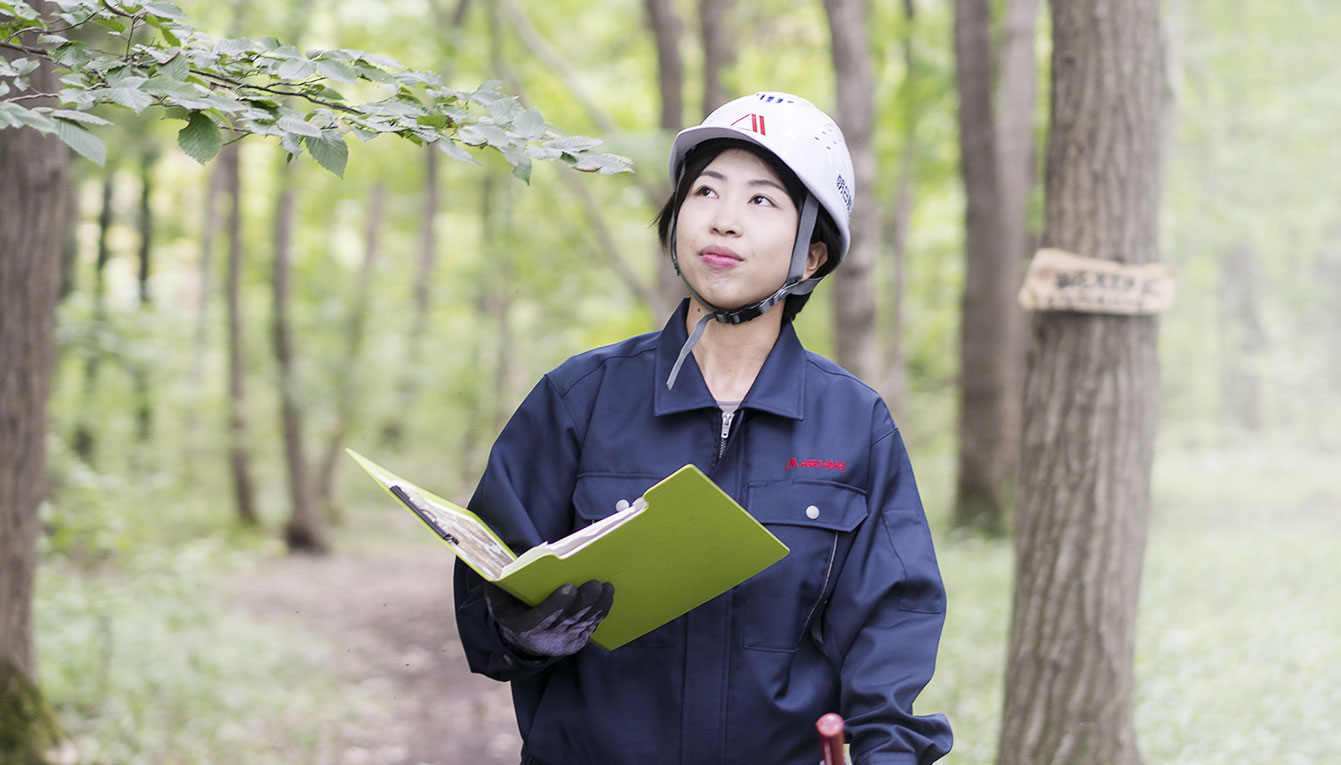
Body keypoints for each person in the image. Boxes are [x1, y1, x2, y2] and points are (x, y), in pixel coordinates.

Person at [453, 91, 952, 764]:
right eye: (706, 191)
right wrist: (513, 627)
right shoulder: (578, 398)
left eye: (761, 201)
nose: (723, 221)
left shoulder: (853, 424)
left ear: (811, 257)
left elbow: (890, 637)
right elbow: (488, 594)